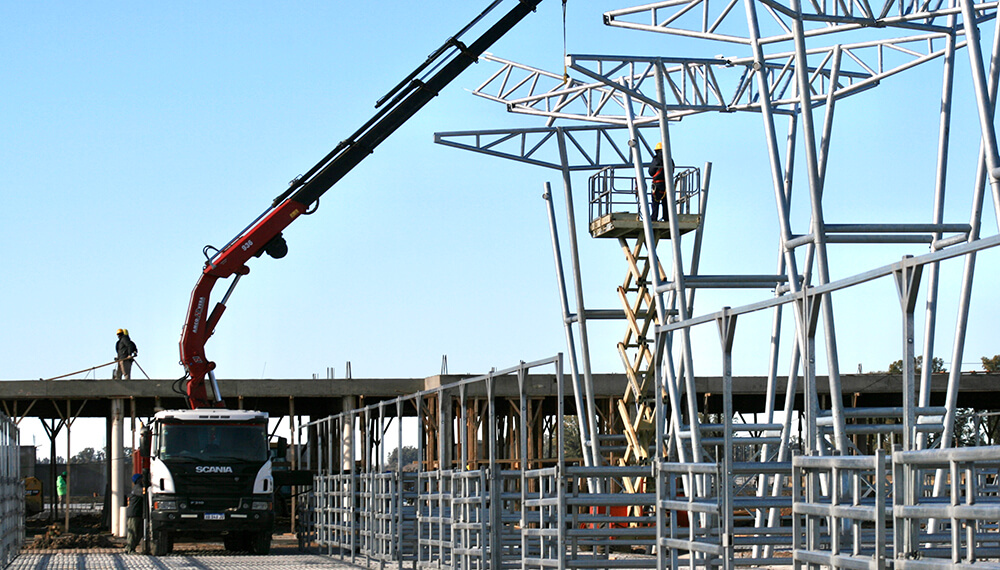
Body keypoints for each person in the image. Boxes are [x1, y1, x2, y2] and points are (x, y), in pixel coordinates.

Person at [647, 142, 672, 222]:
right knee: (666, 203)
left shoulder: (656, 160)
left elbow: (651, 172)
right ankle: (666, 218)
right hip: (667, 185)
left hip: (657, 184)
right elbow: (672, 170)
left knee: (655, 203)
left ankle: (654, 218)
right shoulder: (670, 160)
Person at [125, 473, 144, 553]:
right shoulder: (137, 488)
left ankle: (132, 547)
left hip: (138, 514)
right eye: (142, 479)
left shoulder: (137, 488)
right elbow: (145, 493)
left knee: (139, 533)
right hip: (134, 514)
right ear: (138, 480)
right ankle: (129, 549)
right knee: (133, 532)